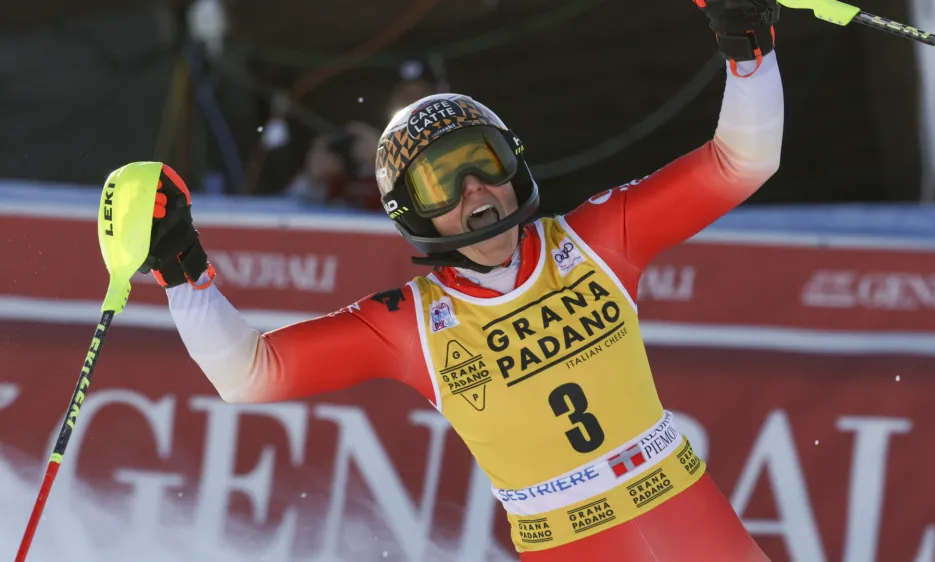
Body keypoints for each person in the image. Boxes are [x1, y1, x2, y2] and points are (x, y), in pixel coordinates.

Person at [144, 0, 783, 557]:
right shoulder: (409, 324)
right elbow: (247, 374)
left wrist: (748, 53)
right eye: (440, 181)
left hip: (688, 513)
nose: (472, 188)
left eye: (483, 161)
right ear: (413, 211)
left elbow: (742, 161)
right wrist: (182, 270)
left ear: (513, 165)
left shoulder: (598, 239)